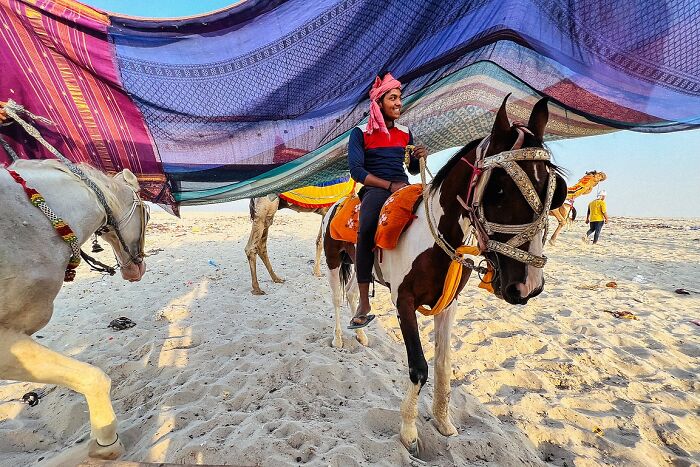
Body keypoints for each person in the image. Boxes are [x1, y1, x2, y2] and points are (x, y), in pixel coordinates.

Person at [347, 73, 427, 329]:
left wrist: (419, 157)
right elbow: (356, 171)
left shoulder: (405, 132)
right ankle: (363, 302)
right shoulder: (359, 133)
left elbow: (413, 170)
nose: (398, 103)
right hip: (376, 188)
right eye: (393, 98)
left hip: (403, 185)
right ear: (379, 102)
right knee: (367, 227)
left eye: (399, 98)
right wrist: (388, 185)